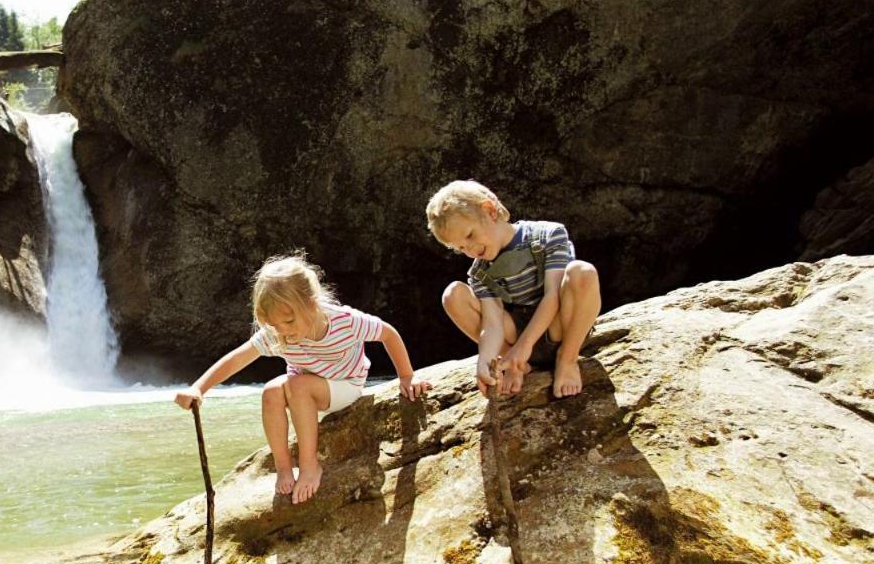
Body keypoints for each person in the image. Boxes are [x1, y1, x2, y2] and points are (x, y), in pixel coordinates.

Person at [175, 253, 431, 504]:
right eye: (275, 326)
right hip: (305, 387)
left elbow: (389, 334)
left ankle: (310, 467)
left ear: (312, 303)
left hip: (345, 386)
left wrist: (407, 377)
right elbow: (237, 358)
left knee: (297, 385)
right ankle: (284, 467)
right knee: (271, 392)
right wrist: (199, 388)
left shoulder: (344, 322)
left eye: (288, 321)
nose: (284, 331)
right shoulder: (279, 334)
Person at [426, 180, 601, 398]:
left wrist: (524, 346)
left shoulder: (549, 234)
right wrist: (486, 361)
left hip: (558, 327)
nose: (469, 249)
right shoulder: (480, 272)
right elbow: (492, 324)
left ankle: (567, 359)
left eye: (470, 235)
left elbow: (553, 295)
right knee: (453, 295)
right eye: (460, 248)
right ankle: (514, 365)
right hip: (517, 338)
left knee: (582, 272)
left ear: (490, 210)